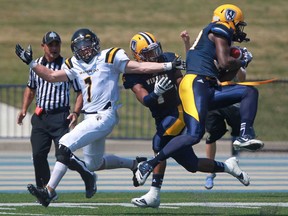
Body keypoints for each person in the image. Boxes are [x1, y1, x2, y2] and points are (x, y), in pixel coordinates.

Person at [15, 28, 184, 207]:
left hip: (105, 115)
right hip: (90, 118)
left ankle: (48, 191)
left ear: (95, 43)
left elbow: (140, 67)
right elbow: (51, 76)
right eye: (81, 46)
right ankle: (135, 164)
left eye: (88, 44)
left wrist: (168, 66)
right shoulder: (74, 64)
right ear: (75, 49)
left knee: (64, 144)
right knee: (93, 164)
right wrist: (31, 63)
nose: (86, 49)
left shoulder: (109, 56)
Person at [135, 4, 264, 187]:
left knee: (249, 91)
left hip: (205, 85)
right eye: (238, 24)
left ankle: (245, 134)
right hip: (196, 83)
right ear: (230, 18)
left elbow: (222, 76)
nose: (238, 29)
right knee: (194, 135)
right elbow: (225, 62)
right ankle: (149, 164)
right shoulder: (220, 28)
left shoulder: (212, 37)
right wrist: (241, 60)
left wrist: (241, 63)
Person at [124, 32, 251, 209]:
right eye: (149, 52)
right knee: (191, 164)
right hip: (161, 117)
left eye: (155, 50)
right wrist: (156, 93)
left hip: (180, 110)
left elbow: (183, 83)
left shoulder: (167, 59)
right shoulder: (133, 74)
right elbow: (145, 100)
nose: (155, 55)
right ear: (138, 56)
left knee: (159, 142)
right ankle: (228, 167)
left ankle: (154, 194)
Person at [180, 30, 255, 190]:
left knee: (237, 133)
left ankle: (235, 161)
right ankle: (210, 174)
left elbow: (242, 78)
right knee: (211, 135)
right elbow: (193, 63)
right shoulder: (210, 54)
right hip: (212, 95)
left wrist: (240, 61)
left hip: (228, 98)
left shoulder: (232, 54)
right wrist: (187, 43)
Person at [17, 31, 82, 195]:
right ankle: (44, 189)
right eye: (50, 44)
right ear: (43, 46)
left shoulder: (68, 65)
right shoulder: (36, 64)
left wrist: (75, 112)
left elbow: (79, 91)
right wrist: (24, 109)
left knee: (64, 155)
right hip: (40, 116)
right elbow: (31, 89)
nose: (54, 48)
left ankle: (86, 175)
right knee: (38, 154)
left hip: (60, 117)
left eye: (57, 44)